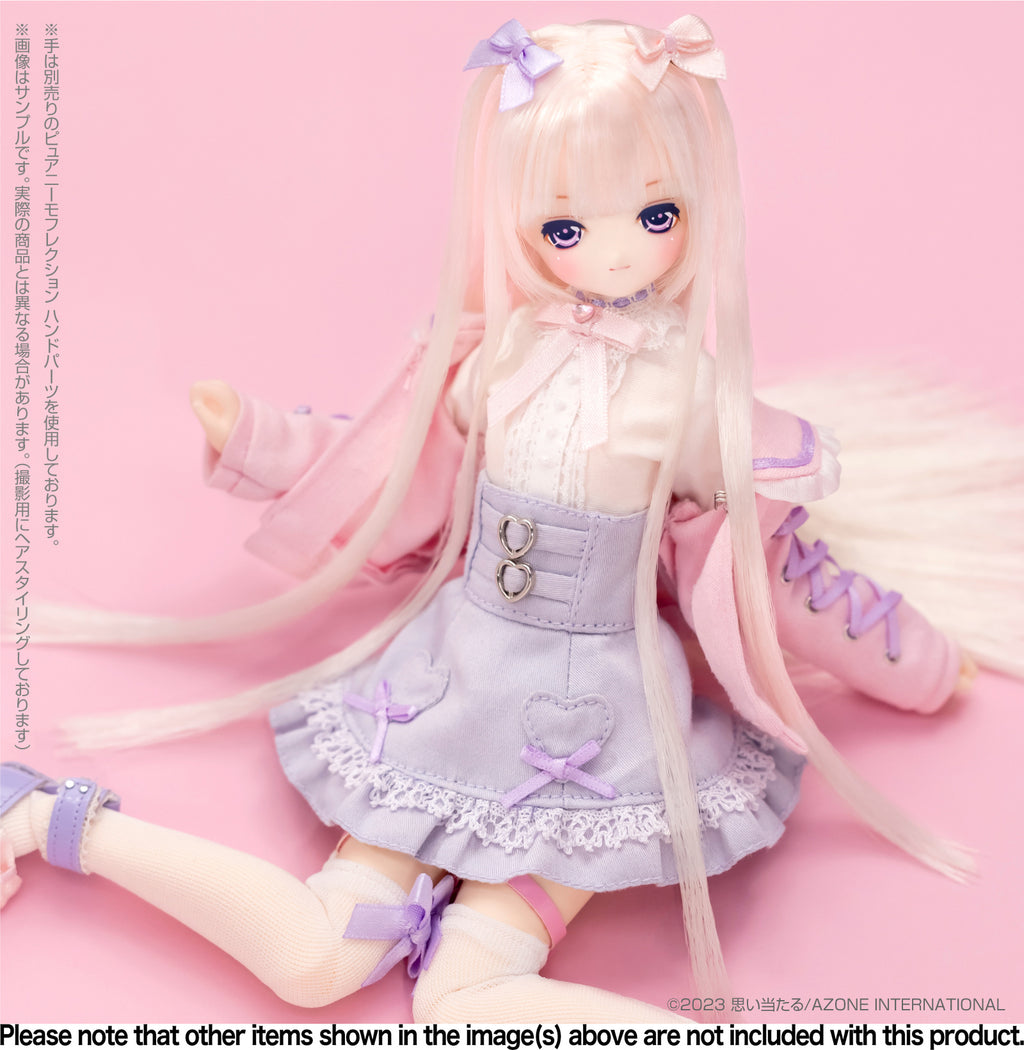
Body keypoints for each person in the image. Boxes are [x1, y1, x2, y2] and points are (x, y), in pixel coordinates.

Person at [2, 15, 1018, 1024]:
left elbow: (781, 577)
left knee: (465, 1000)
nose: (615, 251)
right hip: (450, 691)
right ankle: (37, 812)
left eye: (656, 213)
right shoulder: (500, 359)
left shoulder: (694, 400)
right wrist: (261, 441)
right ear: (521, 223)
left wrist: (921, 660)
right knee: (316, 960)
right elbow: (389, 468)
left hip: (596, 732)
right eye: (567, 228)